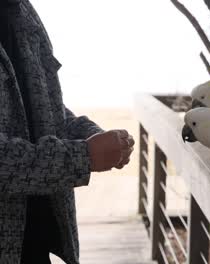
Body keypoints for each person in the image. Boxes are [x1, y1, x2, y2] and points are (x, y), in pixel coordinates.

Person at [0, 0, 135, 263]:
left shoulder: (22, 10)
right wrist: (82, 156)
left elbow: (43, 103)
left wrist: (89, 134)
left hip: (34, 245)